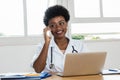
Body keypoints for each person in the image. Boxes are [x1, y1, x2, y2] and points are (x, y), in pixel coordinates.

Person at [32, 5, 87, 73]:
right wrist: (46, 43)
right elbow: (38, 69)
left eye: (61, 23)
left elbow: (88, 67)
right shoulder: (42, 46)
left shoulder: (79, 45)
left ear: (66, 24)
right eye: (53, 25)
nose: (58, 28)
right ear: (48, 28)